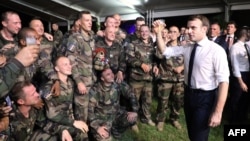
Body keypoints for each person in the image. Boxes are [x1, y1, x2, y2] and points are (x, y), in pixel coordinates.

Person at [154, 15, 229, 141]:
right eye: (188, 28)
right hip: (188, 94)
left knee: (199, 136)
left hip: (205, 98)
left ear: (204, 29)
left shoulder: (216, 51)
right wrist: (158, 33)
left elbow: (224, 82)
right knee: (192, 133)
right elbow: (165, 51)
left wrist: (218, 112)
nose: (189, 31)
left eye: (193, 28)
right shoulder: (187, 47)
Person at [42, 56, 89, 140]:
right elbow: (51, 114)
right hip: (55, 123)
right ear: (57, 68)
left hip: (68, 120)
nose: (69, 66)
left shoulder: (70, 83)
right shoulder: (50, 87)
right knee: (80, 134)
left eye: (69, 64)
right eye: (65, 64)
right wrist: (73, 122)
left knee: (84, 132)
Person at [8, 81, 74, 141]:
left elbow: (44, 123)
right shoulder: (10, 119)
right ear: (21, 101)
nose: (37, 95)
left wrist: (62, 130)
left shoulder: (34, 108)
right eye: (32, 94)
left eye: (35, 91)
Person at [88, 68, 138, 140]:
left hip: (116, 114)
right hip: (102, 119)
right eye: (108, 74)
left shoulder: (117, 83)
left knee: (132, 118)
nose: (112, 75)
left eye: (111, 73)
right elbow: (89, 110)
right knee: (104, 138)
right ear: (102, 78)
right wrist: (97, 127)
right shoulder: (96, 90)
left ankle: (116, 130)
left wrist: (134, 111)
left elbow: (131, 93)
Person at [65, 10, 96, 122]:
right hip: (82, 82)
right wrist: (78, 82)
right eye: (87, 20)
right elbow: (70, 60)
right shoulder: (75, 38)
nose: (90, 23)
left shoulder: (92, 37)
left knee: (90, 110)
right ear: (79, 22)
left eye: (91, 20)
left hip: (91, 80)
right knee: (81, 112)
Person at [126, 24, 158, 130]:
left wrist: (155, 66)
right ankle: (133, 121)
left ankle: (146, 118)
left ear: (149, 32)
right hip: (136, 78)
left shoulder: (152, 45)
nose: (144, 33)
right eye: (142, 31)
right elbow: (128, 58)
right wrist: (140, 64)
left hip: (148, 79)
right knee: (134, 101)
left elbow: (155, 59)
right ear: (139, 32)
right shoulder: (133, 44)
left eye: (146, 31)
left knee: (147, 101)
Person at [155, 26, 184, 131]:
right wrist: (164, 40)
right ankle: (160, 120)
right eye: (170, 32)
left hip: (179, 79)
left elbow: (189, 59)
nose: (172, 33)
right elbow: (158, 56)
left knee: (178, 101)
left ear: (179, 34)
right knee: (163, 101)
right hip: (165, 79)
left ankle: (174, 119)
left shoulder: (183, 46)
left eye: (174, 32)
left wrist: (182, 67)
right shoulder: (163, 45)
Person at [229, 26, 250, 124]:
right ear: (245, 35)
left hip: (247, 74)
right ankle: (234, 120)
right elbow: (235, 66)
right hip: (239, 76)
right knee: (236, 100)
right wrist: (241, 82)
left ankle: (242, 118)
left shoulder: (247, 45)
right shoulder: (235, 47)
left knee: (245, 99)